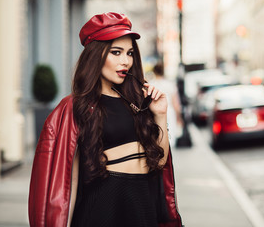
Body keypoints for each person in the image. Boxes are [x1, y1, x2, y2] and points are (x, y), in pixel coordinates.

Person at [28, 12, 183, 227]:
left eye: (129, 53)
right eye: (116, 52)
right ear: (97, 55)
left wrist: (160, 114)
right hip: (104, 208)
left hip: (143, 205)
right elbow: (68, 182)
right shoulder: (77, 106)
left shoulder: (140, 101)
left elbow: (159, 161)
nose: (125, 61)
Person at [150, 62, 182, 148]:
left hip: (154, 114)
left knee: (158, 140)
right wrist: (179, 118)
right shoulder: (170, 85)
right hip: (170, 113)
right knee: (170, 141)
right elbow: (176, 104)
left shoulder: (150, 85)